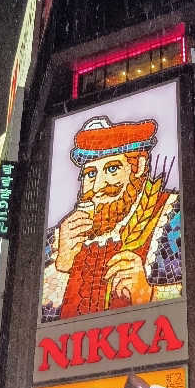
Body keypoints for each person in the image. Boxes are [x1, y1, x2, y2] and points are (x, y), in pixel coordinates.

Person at [41, 115, 181, 322]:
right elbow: (30, 318)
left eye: (112, 169)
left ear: (139, 166)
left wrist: (149, 293)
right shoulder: (57, 238)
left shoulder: (172, 215)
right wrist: (60, 267)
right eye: (90, 174)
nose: (97, 187)